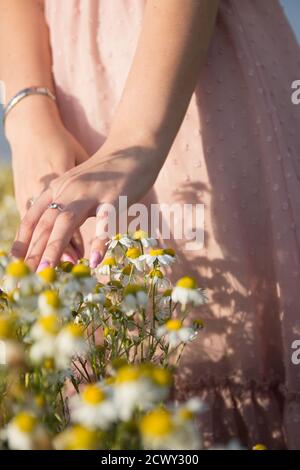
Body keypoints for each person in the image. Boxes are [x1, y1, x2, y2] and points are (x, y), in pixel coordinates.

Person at [1, 0, 300, 449]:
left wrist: (136, 141)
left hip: (196, 81)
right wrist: (28, 116)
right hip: (68, 97)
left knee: (219, 357)